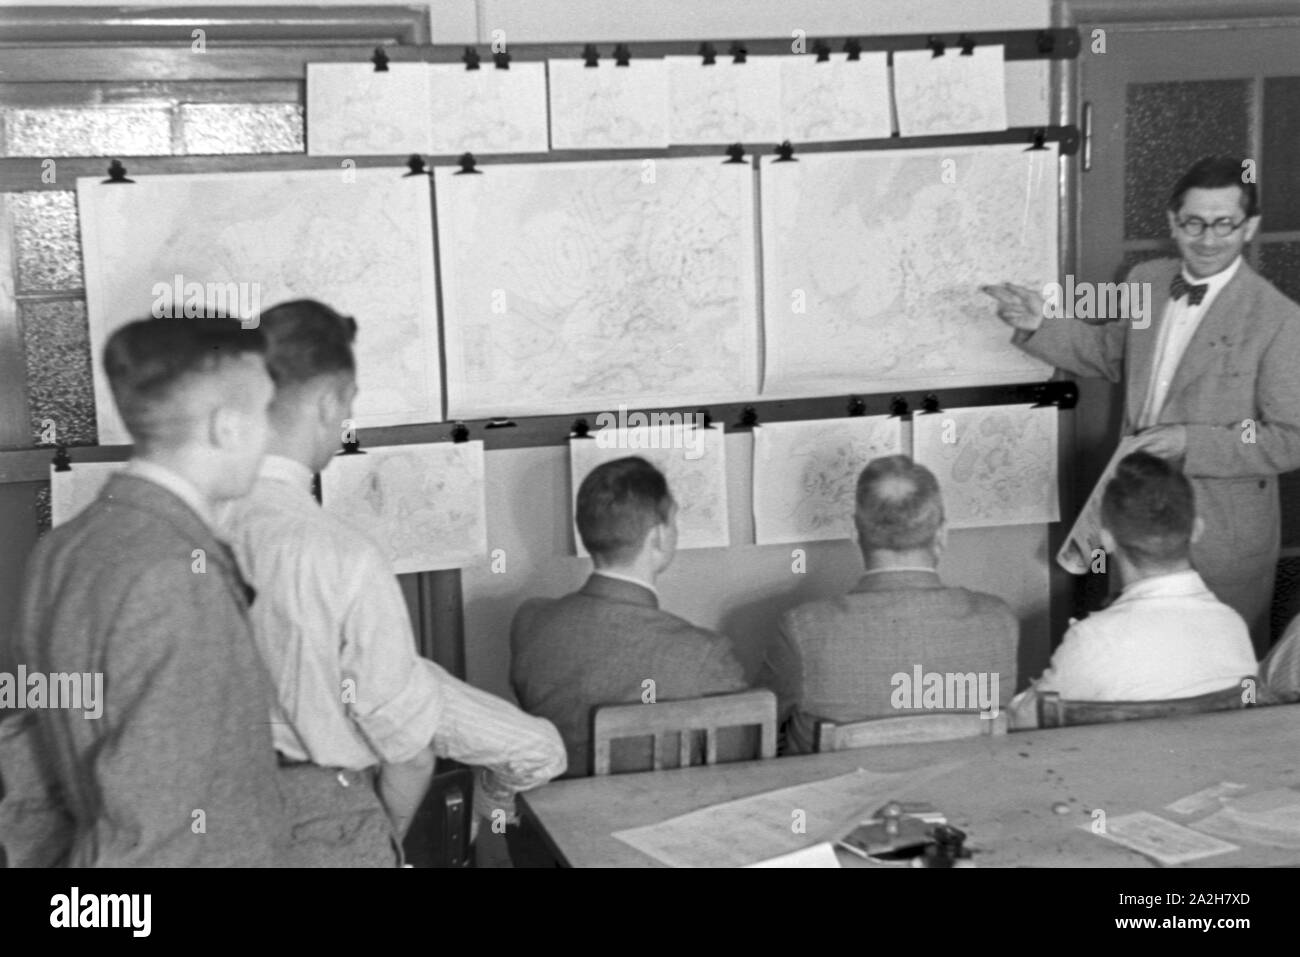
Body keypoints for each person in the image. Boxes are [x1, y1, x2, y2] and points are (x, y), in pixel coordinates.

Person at [219, 299, 565, 867]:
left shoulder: (182, 523)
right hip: (324, 827)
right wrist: (385, 843)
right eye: (349, 404)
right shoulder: (342, 555)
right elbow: (409, 755)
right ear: (330, 402)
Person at [0, 316, 288, 866]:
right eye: (265, 412)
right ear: (226, 426)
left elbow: (27, 749)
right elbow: (158, 822)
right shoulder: (176, 573)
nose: (270, 434)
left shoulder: (61, 548)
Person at [985, 155, 1300, 656]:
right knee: (1136, 660)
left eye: (1225, 224)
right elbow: (1112, 353)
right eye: (1194, 222)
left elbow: (1290, 438)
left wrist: (1190, 442)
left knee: (1215, 676)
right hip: (1134, 512)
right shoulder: (1146, 280)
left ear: (1250, 227)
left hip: (1221, 538)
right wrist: (1036, 324)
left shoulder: (1279, 319)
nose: (1208, 238)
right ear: (1173, 223)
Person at [758, 455, 1018, 754]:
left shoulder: (803, 629)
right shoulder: (999, 620)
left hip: (839, 798)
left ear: (854, 533)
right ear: (942, 534)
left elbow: (758, 727)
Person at [511, 456, 750, 778]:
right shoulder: (705, 654)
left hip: (548, 818)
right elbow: (738, 772)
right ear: (658, 537)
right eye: (673, 521)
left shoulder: (530, 622)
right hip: (656, 820)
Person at [1009, 452, 1257, 729]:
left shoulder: (1091, 638)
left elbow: (1023, 720)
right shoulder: (1232, 625)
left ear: (1107, 540)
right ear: (1197, 529)